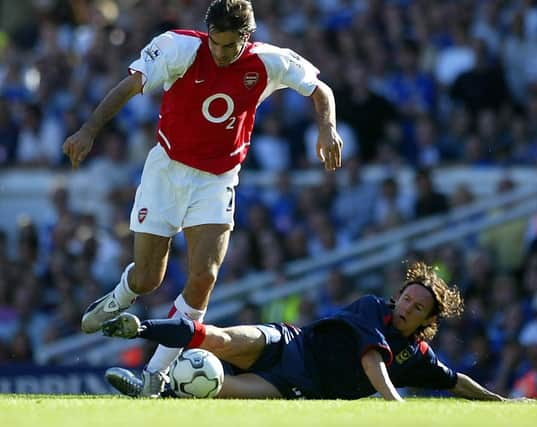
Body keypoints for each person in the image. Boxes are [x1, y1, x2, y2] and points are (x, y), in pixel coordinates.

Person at [62, 0, 343, 397]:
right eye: (216, 43)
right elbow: (129, 85)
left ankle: (154, 376)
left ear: (246, 38)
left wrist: (327, 130)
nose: (221, 53)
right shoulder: (179, 47)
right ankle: (120, 296)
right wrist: (89, 130)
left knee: (204, 277)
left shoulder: (268, 62)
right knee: (148, 279)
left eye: (230, 46)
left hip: (217, 179)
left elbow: (321, 89)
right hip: (167, 170)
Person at [102, 262, 513, 401]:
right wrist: (393, 403)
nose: (407, 306)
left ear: (427, 322)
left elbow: (455, 381)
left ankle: (155, 389)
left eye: (417, 307)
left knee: (220, 387)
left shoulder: (416, 357)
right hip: (290, 342)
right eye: (407, 297)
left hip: (300, 385)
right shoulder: (374, 307)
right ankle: (140, 327)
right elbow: (371, 357)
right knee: (218, 338)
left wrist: (498, 401)